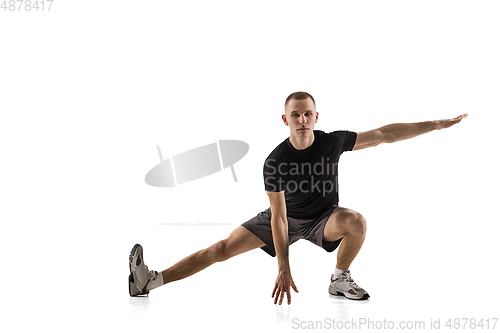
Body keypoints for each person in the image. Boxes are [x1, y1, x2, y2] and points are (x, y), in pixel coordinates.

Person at [128, 91, 468, 305]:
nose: (302, 120)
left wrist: (435, 124)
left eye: (308, 114)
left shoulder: (332, 142)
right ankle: (149, 280)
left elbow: (384, 135)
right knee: (219, 250)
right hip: (285, 218)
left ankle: (340, 279)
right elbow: (277, 218)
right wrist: (283, 265)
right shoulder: (275, 161)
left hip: (324, 218)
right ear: (285, 119)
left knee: (357, 222)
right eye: (296, 115)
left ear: (316, 117)